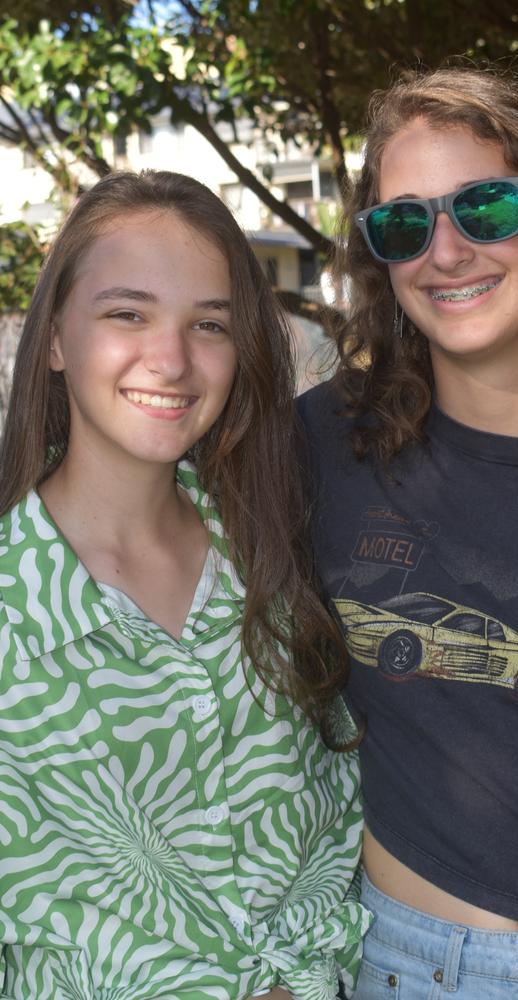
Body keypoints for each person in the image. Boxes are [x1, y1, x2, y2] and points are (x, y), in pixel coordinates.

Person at [297, 67, 518, 998]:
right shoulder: (324, 447)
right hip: (412, 965)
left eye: (485, 207)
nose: (445, 251)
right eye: (405, 224)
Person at [0, 170, 369, 1000]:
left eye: (209, 324)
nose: (169, 360)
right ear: (54, 338)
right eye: (127, 313)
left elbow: (344, 820)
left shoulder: (282, 553)